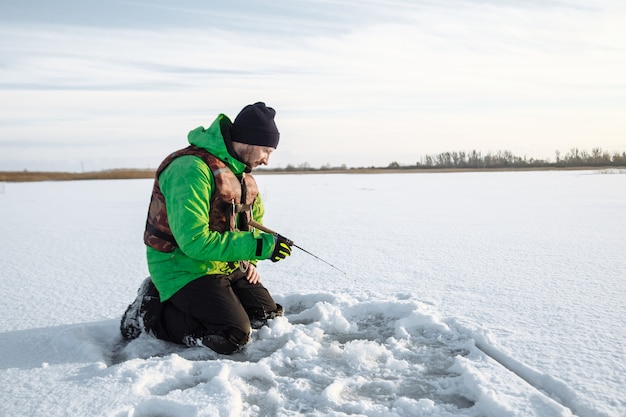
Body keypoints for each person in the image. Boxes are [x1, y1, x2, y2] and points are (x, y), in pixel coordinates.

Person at [120, 102, 293, 354]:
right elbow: (194, 241)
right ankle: (149, 312)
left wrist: (250, 260)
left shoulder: (242, 176)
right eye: (266, 150)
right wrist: (260, 247)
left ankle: (207, 303)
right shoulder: (190, 169)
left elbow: (253, 226)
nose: (267, 160)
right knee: (232, 335)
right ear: (248, 141)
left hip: (225, 263)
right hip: (183, 266)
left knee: (266, 318)